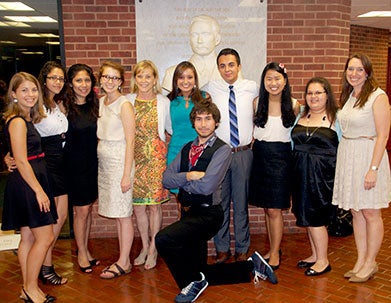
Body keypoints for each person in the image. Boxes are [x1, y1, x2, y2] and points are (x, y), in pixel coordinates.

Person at [156, 101, 277, 303]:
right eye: (199, 119)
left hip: (208, 214)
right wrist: (190, 175)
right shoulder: (187, 147)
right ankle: (253, 266)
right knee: (201, 271)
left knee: (164, 239)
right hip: (188, 211)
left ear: (216, 122)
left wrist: (184, 180)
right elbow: (166, 179)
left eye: (208, 119)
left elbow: (207, 186)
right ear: (193, 123)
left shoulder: (223, 150)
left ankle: (191, 284)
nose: (203, 124)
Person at [4, 62, 69, 285]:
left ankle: (27, 287)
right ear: (13, 94)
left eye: (33, 90)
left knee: (28, 237)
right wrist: (40, 191)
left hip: (35, 176)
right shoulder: (19, 121)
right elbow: (21, 159)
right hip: (31, 181)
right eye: (24, 90)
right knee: (45, 236)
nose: (30, 94)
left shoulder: (27, 117)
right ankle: (31, 286)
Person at [332, 53, 391, 282]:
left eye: (358, 70)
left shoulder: (378, 97)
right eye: (350, 69)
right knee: (356, 211)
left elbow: (383, 134)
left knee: (371, 211)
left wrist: (373, 169)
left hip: (368, 156)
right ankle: (360, 259)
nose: (354, 74)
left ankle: (371, 262)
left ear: (367, 72)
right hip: (349, 155)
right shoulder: (350, 95)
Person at [203, 48, 258, 263]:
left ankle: (242, 248)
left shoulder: (251, 87)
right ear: (218, 68)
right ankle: (222, 248)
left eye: (231, 64)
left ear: (239, 66)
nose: (227, 69)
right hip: (220, 154)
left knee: (241, 204)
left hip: (243, 153)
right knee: (221, 204)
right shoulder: (211, 87)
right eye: (223, 65)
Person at [250, 62, 299, 270]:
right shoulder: (257, 102)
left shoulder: (295, 105)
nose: (273, 83)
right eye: (269, 78)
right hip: (260, 155)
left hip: (282, 158)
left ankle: (276, 251)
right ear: (264, 81)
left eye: (277, 78)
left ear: (285, 81)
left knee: (275, 209)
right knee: (266, 208)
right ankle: (272, 248)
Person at [126, 60, 171, 270]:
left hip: (155, 158)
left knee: (154, 206)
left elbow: (170, 128)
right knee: (138, 207)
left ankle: (154, 248)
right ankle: (144, 246)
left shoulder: (163, 102)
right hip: (134, 158)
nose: (144, 80)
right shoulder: (127, 101)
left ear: (155, 79)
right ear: (135, 79)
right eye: (140, 76)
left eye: (148, 76)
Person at [291, 77, 339, 276]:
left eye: (318, 92)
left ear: (327, 95)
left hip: (322, 177)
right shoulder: (301, 115)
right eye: (310, 93)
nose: (314, 96)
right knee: (306, 214)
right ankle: (314, 254)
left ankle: (323, 260)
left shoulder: (337, 119)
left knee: (317, 217)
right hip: (301, 173)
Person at [97, 61, 136, 279]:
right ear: (100, 79)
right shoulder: (101, 102)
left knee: (123, 215)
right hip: (105, 164)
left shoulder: (124, 105)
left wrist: (126, 174)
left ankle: (124, 262)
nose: (110, 81)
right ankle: (124, 258)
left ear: (121, 82)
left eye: (114, 78)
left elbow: (131, 141)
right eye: (106, 77)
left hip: (120, 162)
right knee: (118, 214)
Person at [63, 64, 100, 273]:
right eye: (78, 81)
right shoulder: (64, 108)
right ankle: (82, 253)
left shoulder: (95, 106)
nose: (83, 85)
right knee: (81, 211)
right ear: (70, 83)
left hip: (92, 164)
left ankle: (84, 248)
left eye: (87, 80)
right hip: (74, 166)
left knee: (88, 210)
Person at [166, 61, 209, 212]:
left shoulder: (204, 98)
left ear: (195, 80)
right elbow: (168, 127)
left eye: (189, 77)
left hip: (199, 152)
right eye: (181, 77)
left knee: (197, 196)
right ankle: (183, 233)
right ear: (176, 81)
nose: (185, 81)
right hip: (176, 152)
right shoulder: (169, 101)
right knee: (181, 200)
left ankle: (196, 233)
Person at [162, 14, 222, 92]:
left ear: (217, 39)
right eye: (195, 35)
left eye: (205, 34)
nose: (199, 40)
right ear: (190, 39)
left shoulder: (231, 74)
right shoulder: (171, 74)